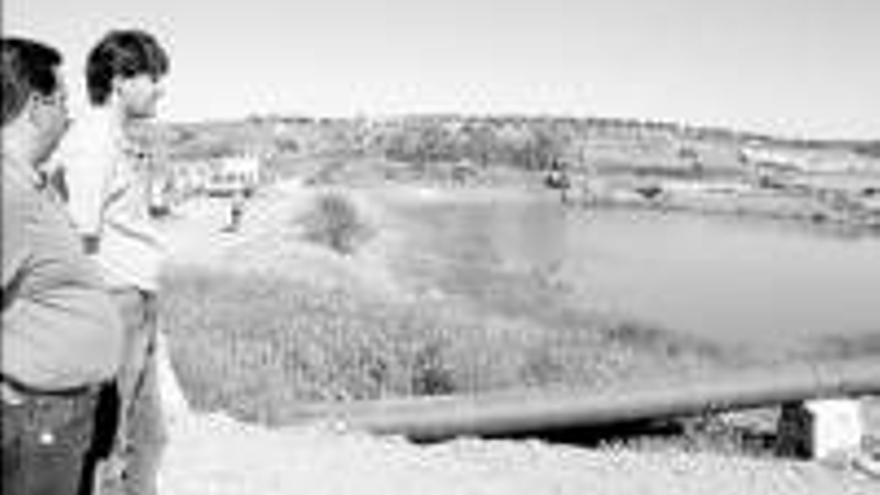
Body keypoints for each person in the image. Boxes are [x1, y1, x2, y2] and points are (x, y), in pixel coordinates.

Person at [1, 36, 125, 495]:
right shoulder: (7, 194)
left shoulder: (28, 181)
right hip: (37, 416)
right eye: (63, 101)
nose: (70, 114)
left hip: (60, 409)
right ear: (36, 105)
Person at [49, 29, 170, 495]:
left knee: (148, 437)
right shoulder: (96, 139)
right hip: (116, 303)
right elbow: (79, 234)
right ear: (120, 80)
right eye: (152, 76)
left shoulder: (112, 136)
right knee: (113, 445)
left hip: (136, 300)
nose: (160, 87)